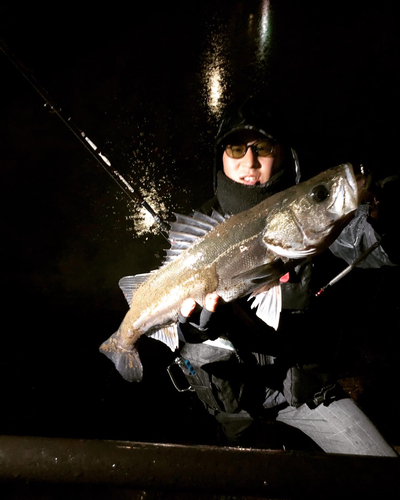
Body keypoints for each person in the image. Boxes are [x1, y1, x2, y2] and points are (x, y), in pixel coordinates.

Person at [168, 96, 399, 455]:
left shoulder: (306, 208)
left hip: (303, 390)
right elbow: (177, 329)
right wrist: (192, 326)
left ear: (282, 152)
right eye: (236, 148)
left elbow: (370, 245)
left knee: (379, 470)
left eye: (262, 147)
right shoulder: (199, 233)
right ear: (221, 157)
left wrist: (388, 219)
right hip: (235, 401)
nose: (250, 161)